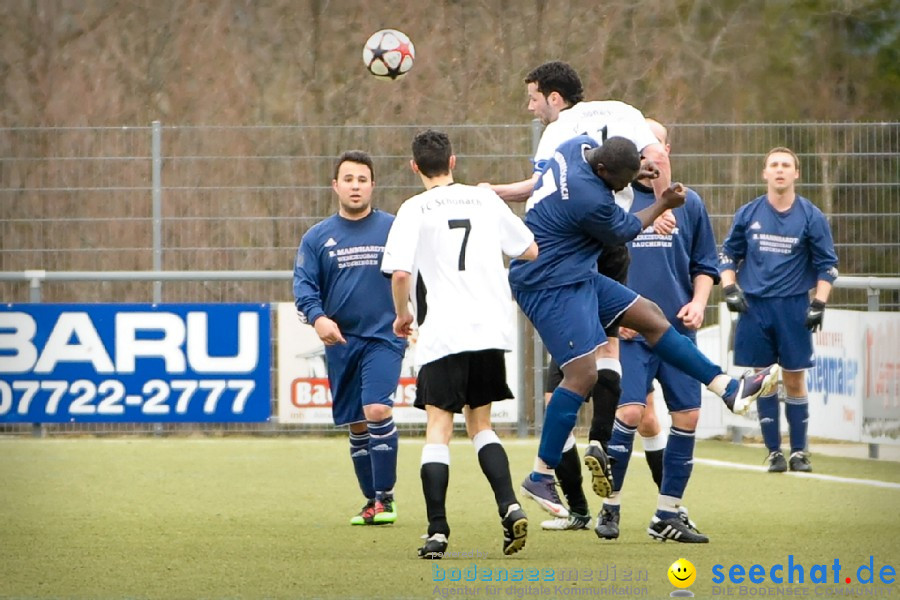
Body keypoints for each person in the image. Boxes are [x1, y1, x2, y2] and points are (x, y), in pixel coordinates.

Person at [508, 134, 781, 542]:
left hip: (575, 272)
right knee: (582, 375)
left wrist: (639, 168)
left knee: (651, 317)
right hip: (546, 283)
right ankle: (540, 474)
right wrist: (664, 204)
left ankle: (727, 386)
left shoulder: (574, 147)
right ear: (602, 172)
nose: (624, 188)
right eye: (621, 181)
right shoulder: (591, 199)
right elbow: (627, 229)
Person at [481, 61, 677, 517]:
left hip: (570, 249)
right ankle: (600, 444)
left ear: (554, 97)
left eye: (533, 98)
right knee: (606, 351)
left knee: (569, 379)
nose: (530, 108)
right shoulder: (621, 112)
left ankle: (561, 484)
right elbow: (656, 159)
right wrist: (663, 204)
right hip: (612, 238)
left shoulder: (562, 134)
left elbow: (542, 185)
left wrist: (499, 193)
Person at [381, 129, 539, 559]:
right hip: (489, 329)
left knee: (439, 429)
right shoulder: (485, 199)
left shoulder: (413, 208)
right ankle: (509, 506)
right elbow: (529, 250)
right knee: (481, 426)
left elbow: (398, 274)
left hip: (443, 332)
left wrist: (403, 315)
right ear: (453, 161)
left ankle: (437, 531)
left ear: (415, 167)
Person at [594, 119, 719, 543]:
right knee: (630, 413)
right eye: (640, 147)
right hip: (631, 335)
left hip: (677, 334)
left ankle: (666, 514)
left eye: (655, 145)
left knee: (688, 415)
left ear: (667, 148)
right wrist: (614, 317)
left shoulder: (692, 204)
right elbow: (595, 268)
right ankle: (610, 506)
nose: (649, 154)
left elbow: (705, 266)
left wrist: (698, 303)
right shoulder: (616, 203)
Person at [293, 150, 405, 526]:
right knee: (356, 423)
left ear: (373, 185)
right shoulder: (317, 237)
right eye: (349, 179)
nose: (355, 186)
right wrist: (318, 318)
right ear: (335, 186)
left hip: (384, 337)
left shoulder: (394, 228)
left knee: (376, 408)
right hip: (340, 343)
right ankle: (371, 501)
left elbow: (419, 272)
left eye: (362, 179)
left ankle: (386, 499)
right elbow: (304, 286)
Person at [719, 147, 838, 474]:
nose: (780, 170)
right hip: (755, 307)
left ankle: (800, 452)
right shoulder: (749, 213)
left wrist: (819, 303)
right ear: (765, 173)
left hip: (794, 307)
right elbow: (728, 254)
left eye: (787, 165)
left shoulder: (811, 216)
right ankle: (774, 452)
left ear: (796, 174)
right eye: (774, 165)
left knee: (795, 380)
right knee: (764, 380)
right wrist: (730, 289)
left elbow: (827, 266)